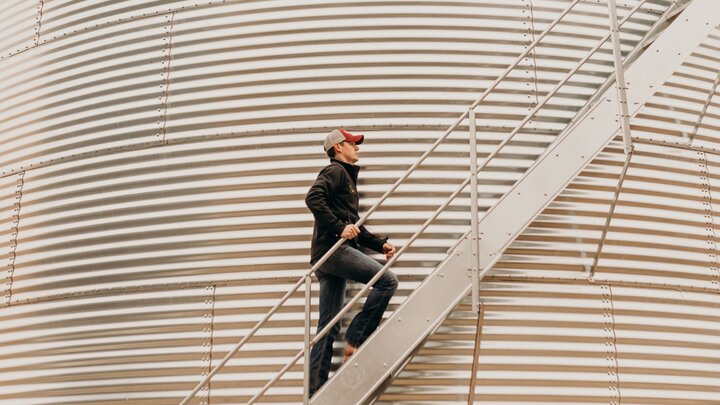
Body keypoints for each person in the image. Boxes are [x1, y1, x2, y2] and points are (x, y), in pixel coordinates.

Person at [305, 128, 398, 395]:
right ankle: (357, 337)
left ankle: (315, 393)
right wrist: (337, 228)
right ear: (338, 148)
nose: (357, 147)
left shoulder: (346, 178)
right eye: (352, 143)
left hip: (327, 255)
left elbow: (353, 226)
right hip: (333, 251)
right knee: (387, 281)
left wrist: (380, 244)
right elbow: (313, 198)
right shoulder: (335, 172)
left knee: (328, 327)